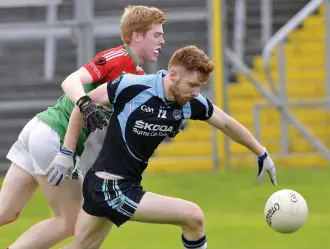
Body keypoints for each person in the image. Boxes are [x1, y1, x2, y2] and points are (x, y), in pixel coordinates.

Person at [0, 5, 166, 249]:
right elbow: (71, 81)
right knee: (71, 220)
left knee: (5, 210)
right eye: (156, 35)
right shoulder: (118, 58)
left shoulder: (136, 74)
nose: (162, 40)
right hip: (54, 137)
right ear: (137, 36)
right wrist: (84, 105)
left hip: (38, 129)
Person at [47, 45, 278, 249]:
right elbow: (82, 107)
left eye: (200, 87)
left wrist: (261, 152)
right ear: (174, 75)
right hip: (110, 185)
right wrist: (67, 153)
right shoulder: (131, 86)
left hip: (115, 184)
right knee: (193, 216)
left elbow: (227, 123)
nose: (196, 93)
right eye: (192, 85)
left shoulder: (190, 103)